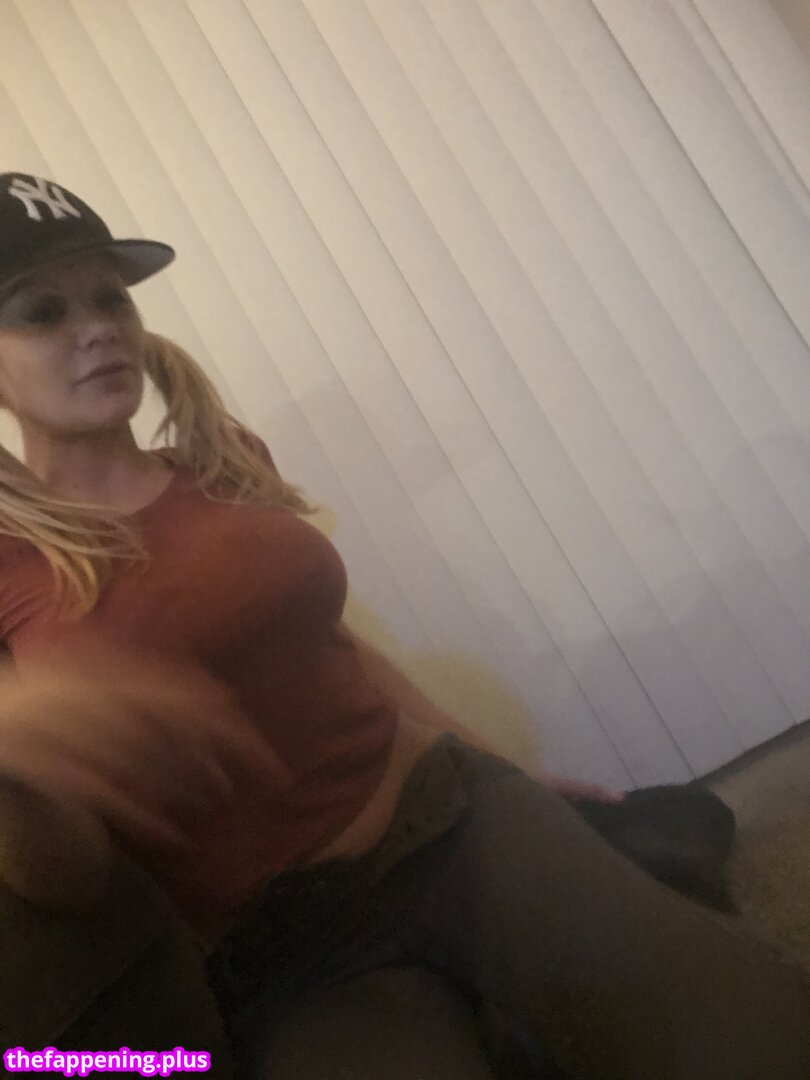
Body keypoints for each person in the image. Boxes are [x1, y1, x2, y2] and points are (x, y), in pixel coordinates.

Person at [0, 171, 807, 1080]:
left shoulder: (221, 465)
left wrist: (511, 774)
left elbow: (336, 650)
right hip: (289, 952)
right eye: (42, 311)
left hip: (452, 819)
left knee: (759, 1044)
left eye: (110, 297)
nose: (97, 327)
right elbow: (69, 882)